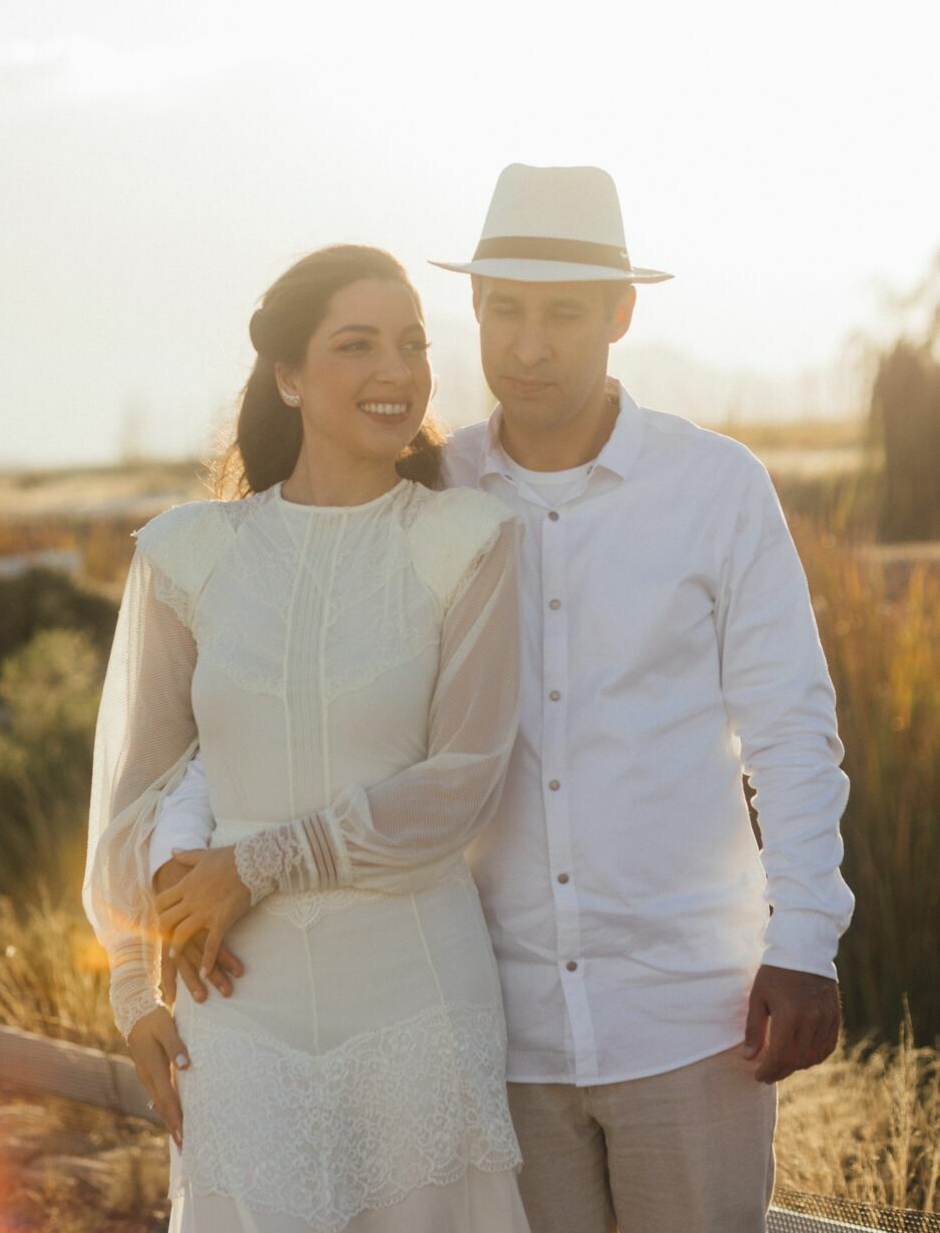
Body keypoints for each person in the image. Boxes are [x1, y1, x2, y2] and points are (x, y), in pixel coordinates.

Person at [155, 166, 854, 1233]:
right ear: (473, 309)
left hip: (686, 1013)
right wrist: (183, 859)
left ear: (618, 315)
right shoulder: (424, 493)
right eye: (505, 310)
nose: (529, 346)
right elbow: (275, 691)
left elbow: (791, 730)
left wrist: (803, 940)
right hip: (490, 1024)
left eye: (562, 314)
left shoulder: (715, 487)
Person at [81, 243, 531, 1233]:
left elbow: (461, 781)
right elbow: (140, 785)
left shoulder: (467, 538)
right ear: (287, 375)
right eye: (356, 344)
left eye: (412, 343)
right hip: (234, 1004)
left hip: (414, 990)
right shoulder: (188, 552)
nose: (395, 370)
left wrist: (260, 861)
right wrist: (132, 984)